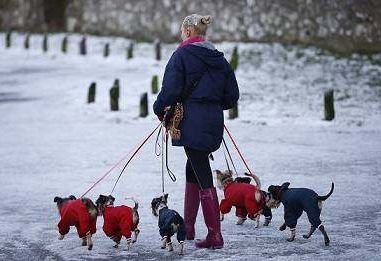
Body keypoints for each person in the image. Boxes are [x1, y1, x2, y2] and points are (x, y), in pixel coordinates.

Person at [153, 14, 239, 249]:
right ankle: (188, 227)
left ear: (188, 32)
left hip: (191, 120)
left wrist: (159, 109)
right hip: (213, 122)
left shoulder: (181, 55)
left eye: (182, 32)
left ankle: (215, 234)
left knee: (201, 169)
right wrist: (210, 103)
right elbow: (231, 97)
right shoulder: (219, 59)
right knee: (194, 162)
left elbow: (170, 89)